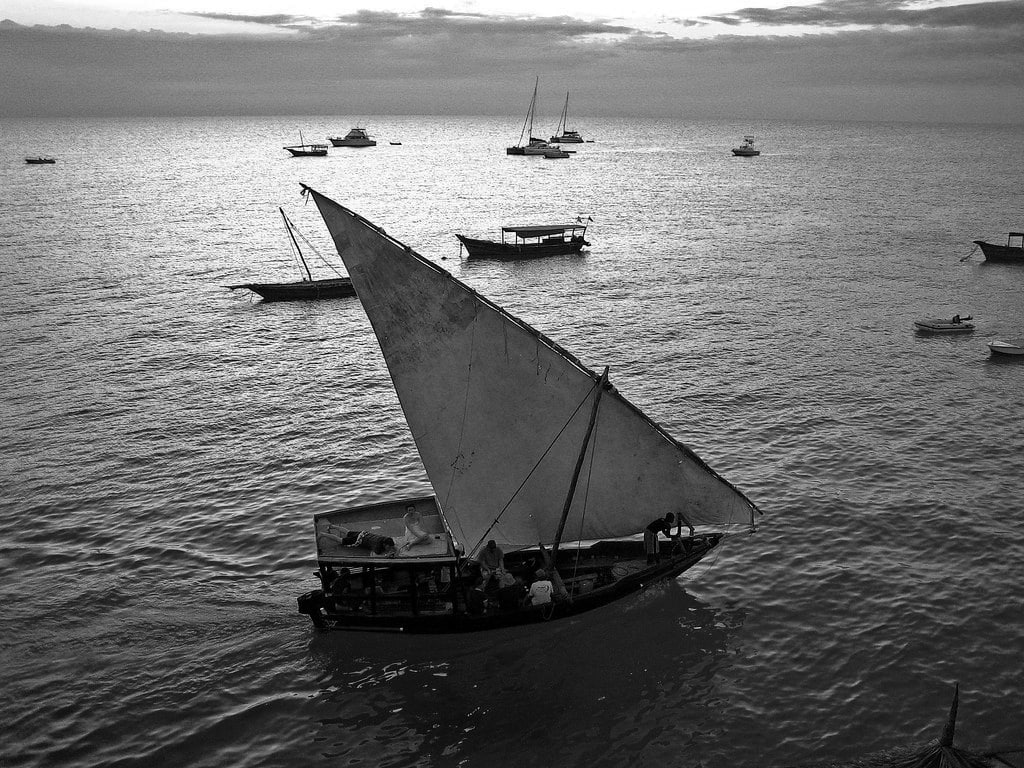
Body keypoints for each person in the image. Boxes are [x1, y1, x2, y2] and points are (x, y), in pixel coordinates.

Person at [319, 522, 398, 557]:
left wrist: (391, 548)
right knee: (340, 540)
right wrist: (388, 553)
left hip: (363, 534)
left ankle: (332, 526)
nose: (389, 548)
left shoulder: (383, 538)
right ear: (384, 544)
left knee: (348, 532)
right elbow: (378, 552)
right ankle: (323, 534)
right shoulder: (377, 545)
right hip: (358, 540)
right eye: (388, 547)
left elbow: (391, 544)